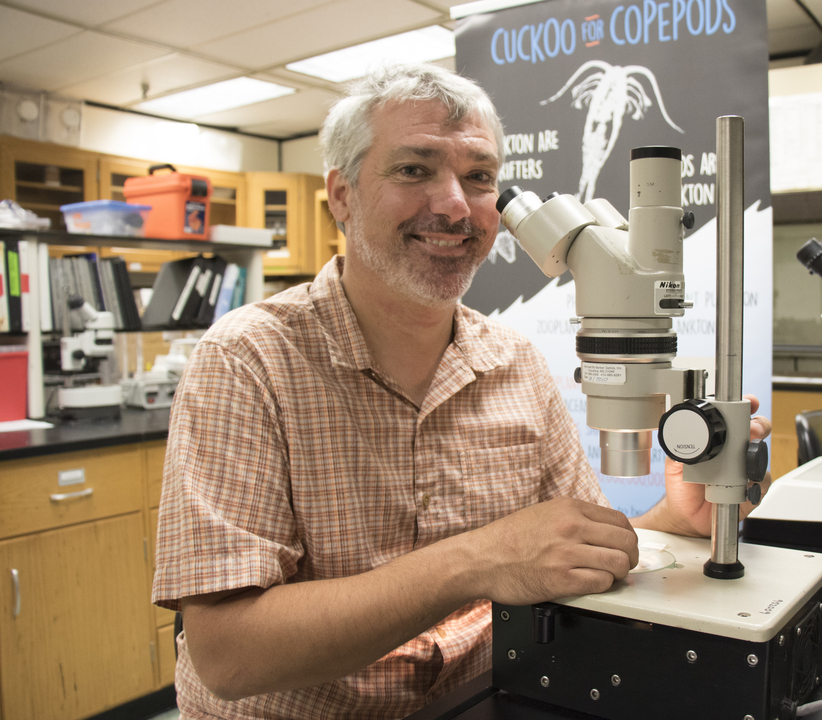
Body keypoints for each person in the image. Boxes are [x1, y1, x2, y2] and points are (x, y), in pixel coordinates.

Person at [152, 63, 772, 720]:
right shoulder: (247, 361)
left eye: (478, 178)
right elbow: (228, 655)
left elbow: (569, 556)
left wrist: (677, 520)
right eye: (415, 170)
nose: (454, 206)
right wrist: (475, 560)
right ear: (342, 196)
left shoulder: (517, 364)